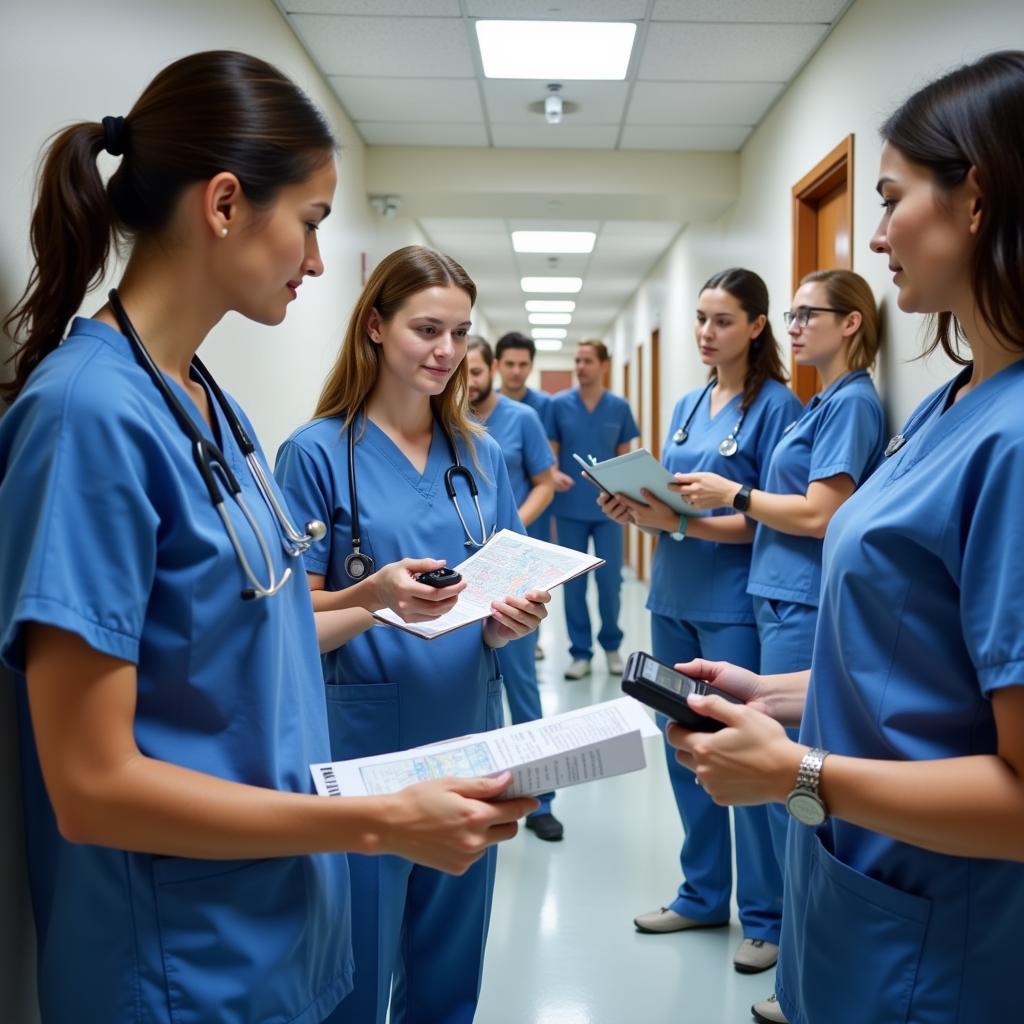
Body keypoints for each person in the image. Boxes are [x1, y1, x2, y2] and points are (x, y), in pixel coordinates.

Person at [0, 53, 536, 1024]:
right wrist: (374, 823)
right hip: (178, 966)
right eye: (313, 223)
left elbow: (251, 628)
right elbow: (89, 786)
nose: (320, 261)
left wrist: (367, 601)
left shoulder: (210, 408)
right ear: (223, 204)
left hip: (278, 926)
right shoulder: (88, 416)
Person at [669, 50, 1024, 1024]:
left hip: (938, 931)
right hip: (858, 890)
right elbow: (921, 670)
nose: (873, 233)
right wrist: (776, 694)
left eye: (891, 197)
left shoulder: (1014, 439)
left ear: (977, 199)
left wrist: (798, 770)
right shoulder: (952, 406)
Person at [274, 246, 549, 1024]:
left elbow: (497, 589)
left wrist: (509, 625)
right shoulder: (316, 454)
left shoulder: (481, 455)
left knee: (448, 976)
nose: (447, 352)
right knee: (350, 981)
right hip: (360, 751)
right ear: (374, 327)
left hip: (467, 739)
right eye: (427, 329)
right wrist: (373, 596)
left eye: (460, 333)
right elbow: (287, 627)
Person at [597, 269, 801, 975]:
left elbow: (767, 522)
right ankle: (704, 894)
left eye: (721, 320)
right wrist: (637, 509)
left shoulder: (776, 407)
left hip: (734, 606)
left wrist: (679, 524)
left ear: (756, 326)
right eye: (700, 318)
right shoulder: (687, 403)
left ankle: (769, 917)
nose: (706, 333)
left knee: (742, 754)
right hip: (674, 599)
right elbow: (672, 504)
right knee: (685, 750)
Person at [673, 269, 886, 865]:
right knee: (762, 760)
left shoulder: (851, 404)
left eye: (806, 315)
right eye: (790, 316)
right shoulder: (824, 401)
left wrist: (732, 494)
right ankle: (765, 914)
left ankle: (777, 919)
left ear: (849, 323)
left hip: (800, 596)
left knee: (781, 767)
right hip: (775, 591)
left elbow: (823, 513)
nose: (794, 328)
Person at [466, 336, 564, 841]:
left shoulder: (522, 419)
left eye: (478, 370)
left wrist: (511, 531)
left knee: (521, 686)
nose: (471, 379)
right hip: (459, 577)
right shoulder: (441, 421)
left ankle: (540, 798)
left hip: (510, 570)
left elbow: (546, 480)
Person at [547, 339, 639, 679]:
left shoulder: (618, 407)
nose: (580, 366)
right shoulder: (558, 406)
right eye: (577, 360)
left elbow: (626, 458)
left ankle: (612, 646)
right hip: (570, 507)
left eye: (587, 360)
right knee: (573, 583)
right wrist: (554, 474)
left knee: (610, 581)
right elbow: (551, 454)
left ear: (603, 365)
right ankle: (580, 652)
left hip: (609, 509)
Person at [496, 330, 556, 660]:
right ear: (497, 366)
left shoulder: (537, 409)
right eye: (509, 364)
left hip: (527, 518)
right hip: (481, 530)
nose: (516, 371)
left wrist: (515, 522)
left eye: (523, 364)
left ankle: (530, 641)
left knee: (528, 597)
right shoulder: (468, 408)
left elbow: (547, 464)